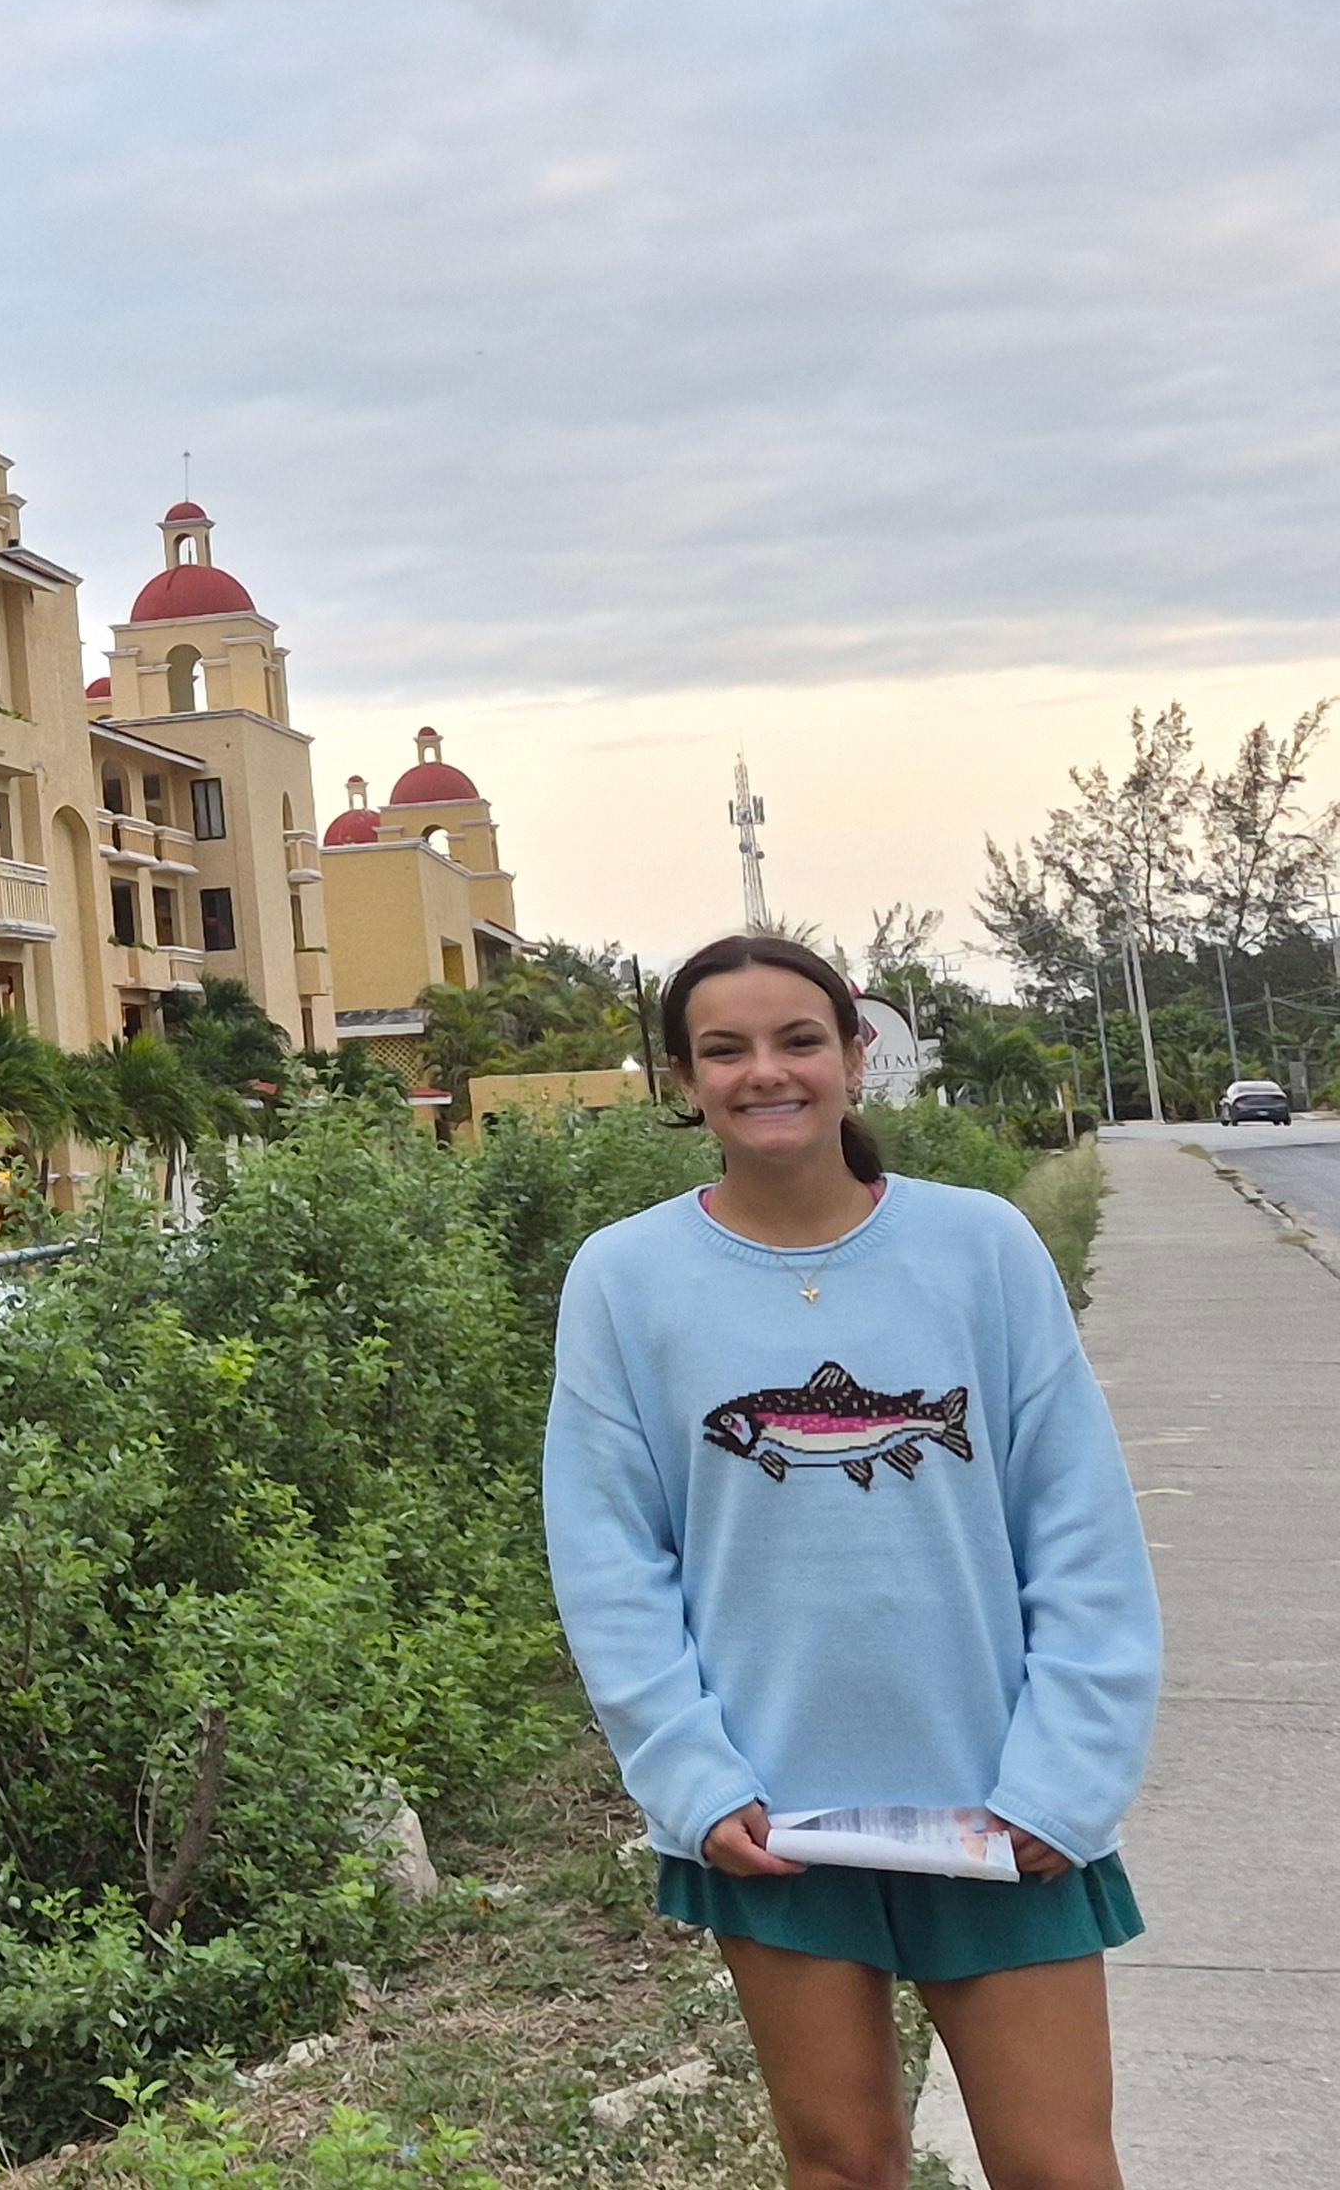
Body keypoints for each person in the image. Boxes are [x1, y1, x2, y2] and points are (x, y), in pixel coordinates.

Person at [543, 931, 1156, 2190]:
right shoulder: (623, 1279)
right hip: (776, 1815)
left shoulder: (978, 1246)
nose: (765, 1073)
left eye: (798, 1040)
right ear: (681, 1079)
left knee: (1058, 2167)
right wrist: (693, 1781)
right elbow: (610, 1561)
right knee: (838, 2164)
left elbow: (1081, 1528)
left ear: (856, 1058)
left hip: (999, 1805)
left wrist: (1065, 1777)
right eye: (725, 1050)